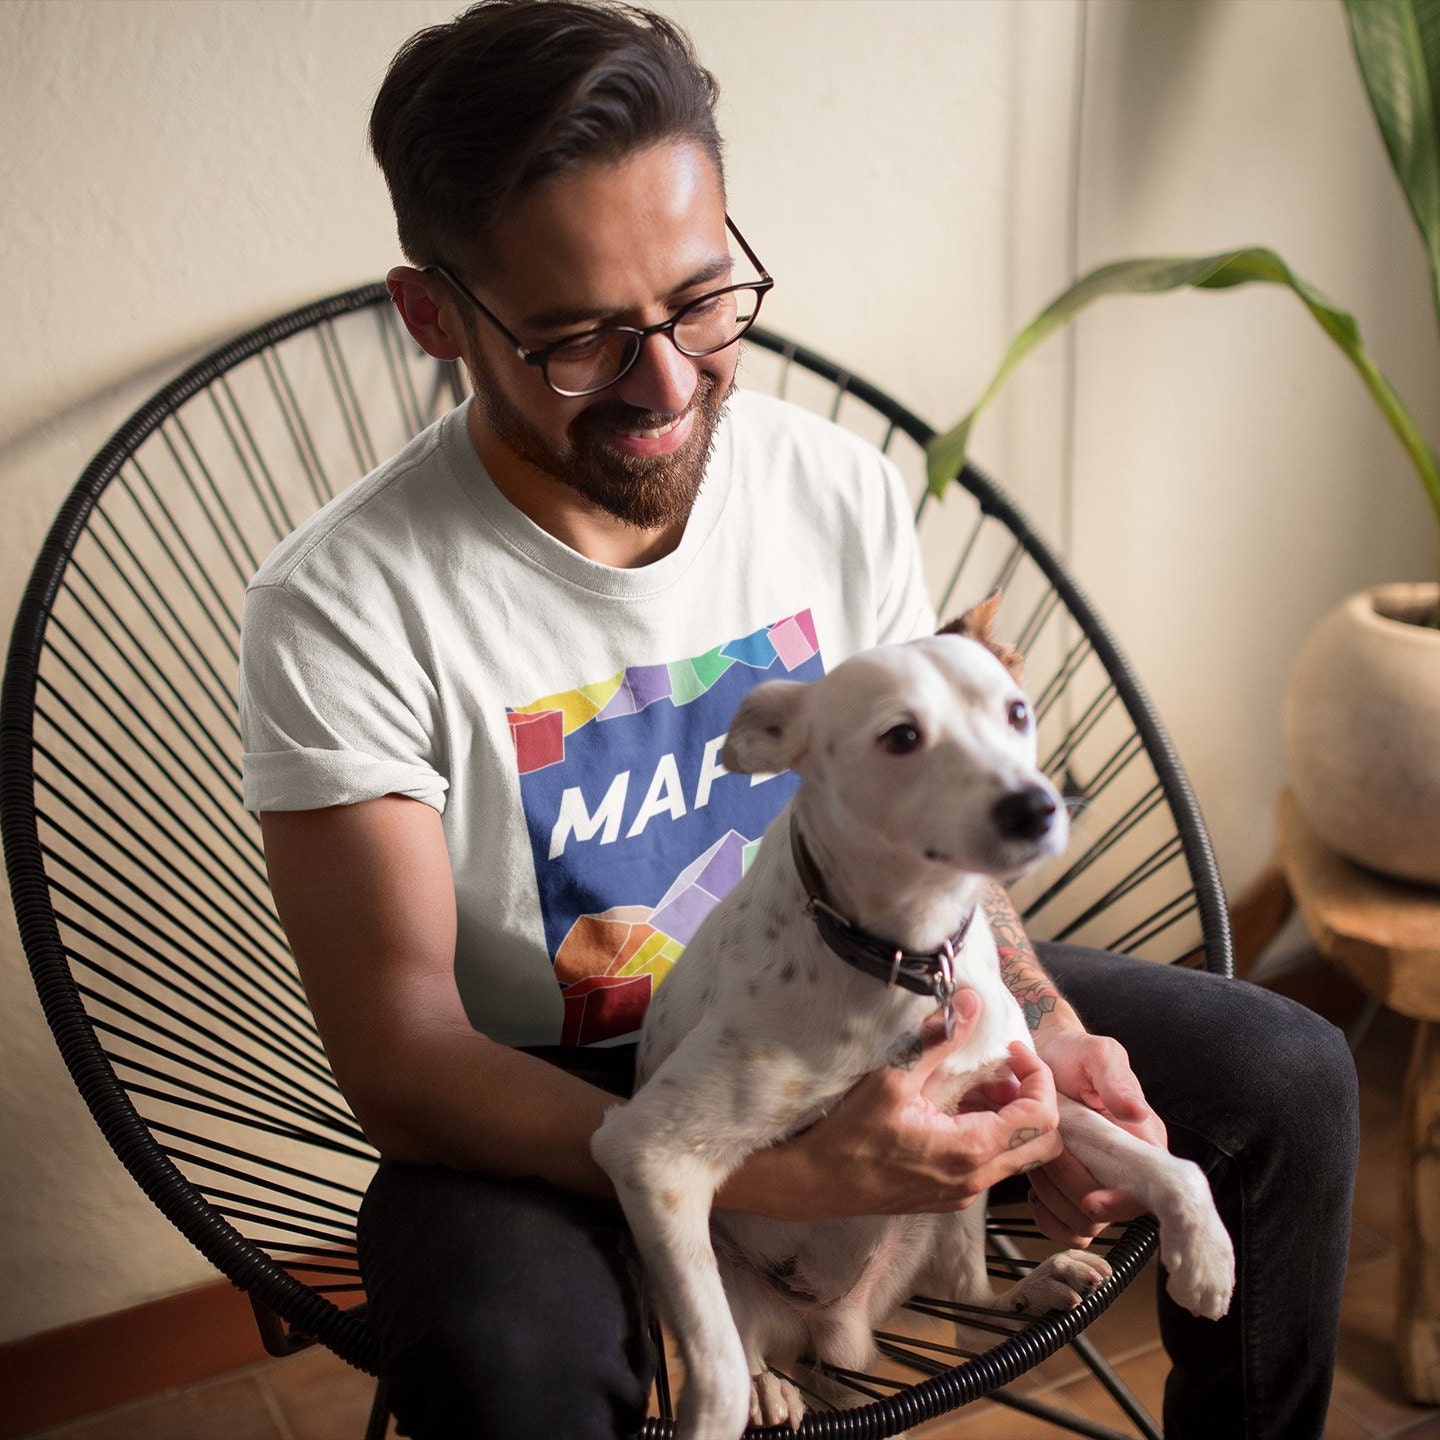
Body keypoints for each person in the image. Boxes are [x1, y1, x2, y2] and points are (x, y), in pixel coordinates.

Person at [237, 3, 1359, 1436]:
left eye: (702, 302)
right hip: (544, 1084)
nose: (667, 384)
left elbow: (935, 821)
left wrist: (1046, 1031)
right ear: (435, 317)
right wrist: (781, 1173)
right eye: (580, 340)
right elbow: (404, 1063)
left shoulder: (832, 489)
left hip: (861, 982)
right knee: (506, 1352)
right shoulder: (344, 604)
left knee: (1290, 1078)